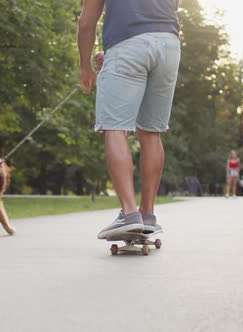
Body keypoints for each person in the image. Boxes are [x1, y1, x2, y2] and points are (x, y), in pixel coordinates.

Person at [77, 0, 181, 239]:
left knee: (114, 127)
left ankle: (129, 213)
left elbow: (86, 23)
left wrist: (85, 66)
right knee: (152, 133)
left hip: (127, 44)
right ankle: (148, 214)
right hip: (169, 45)